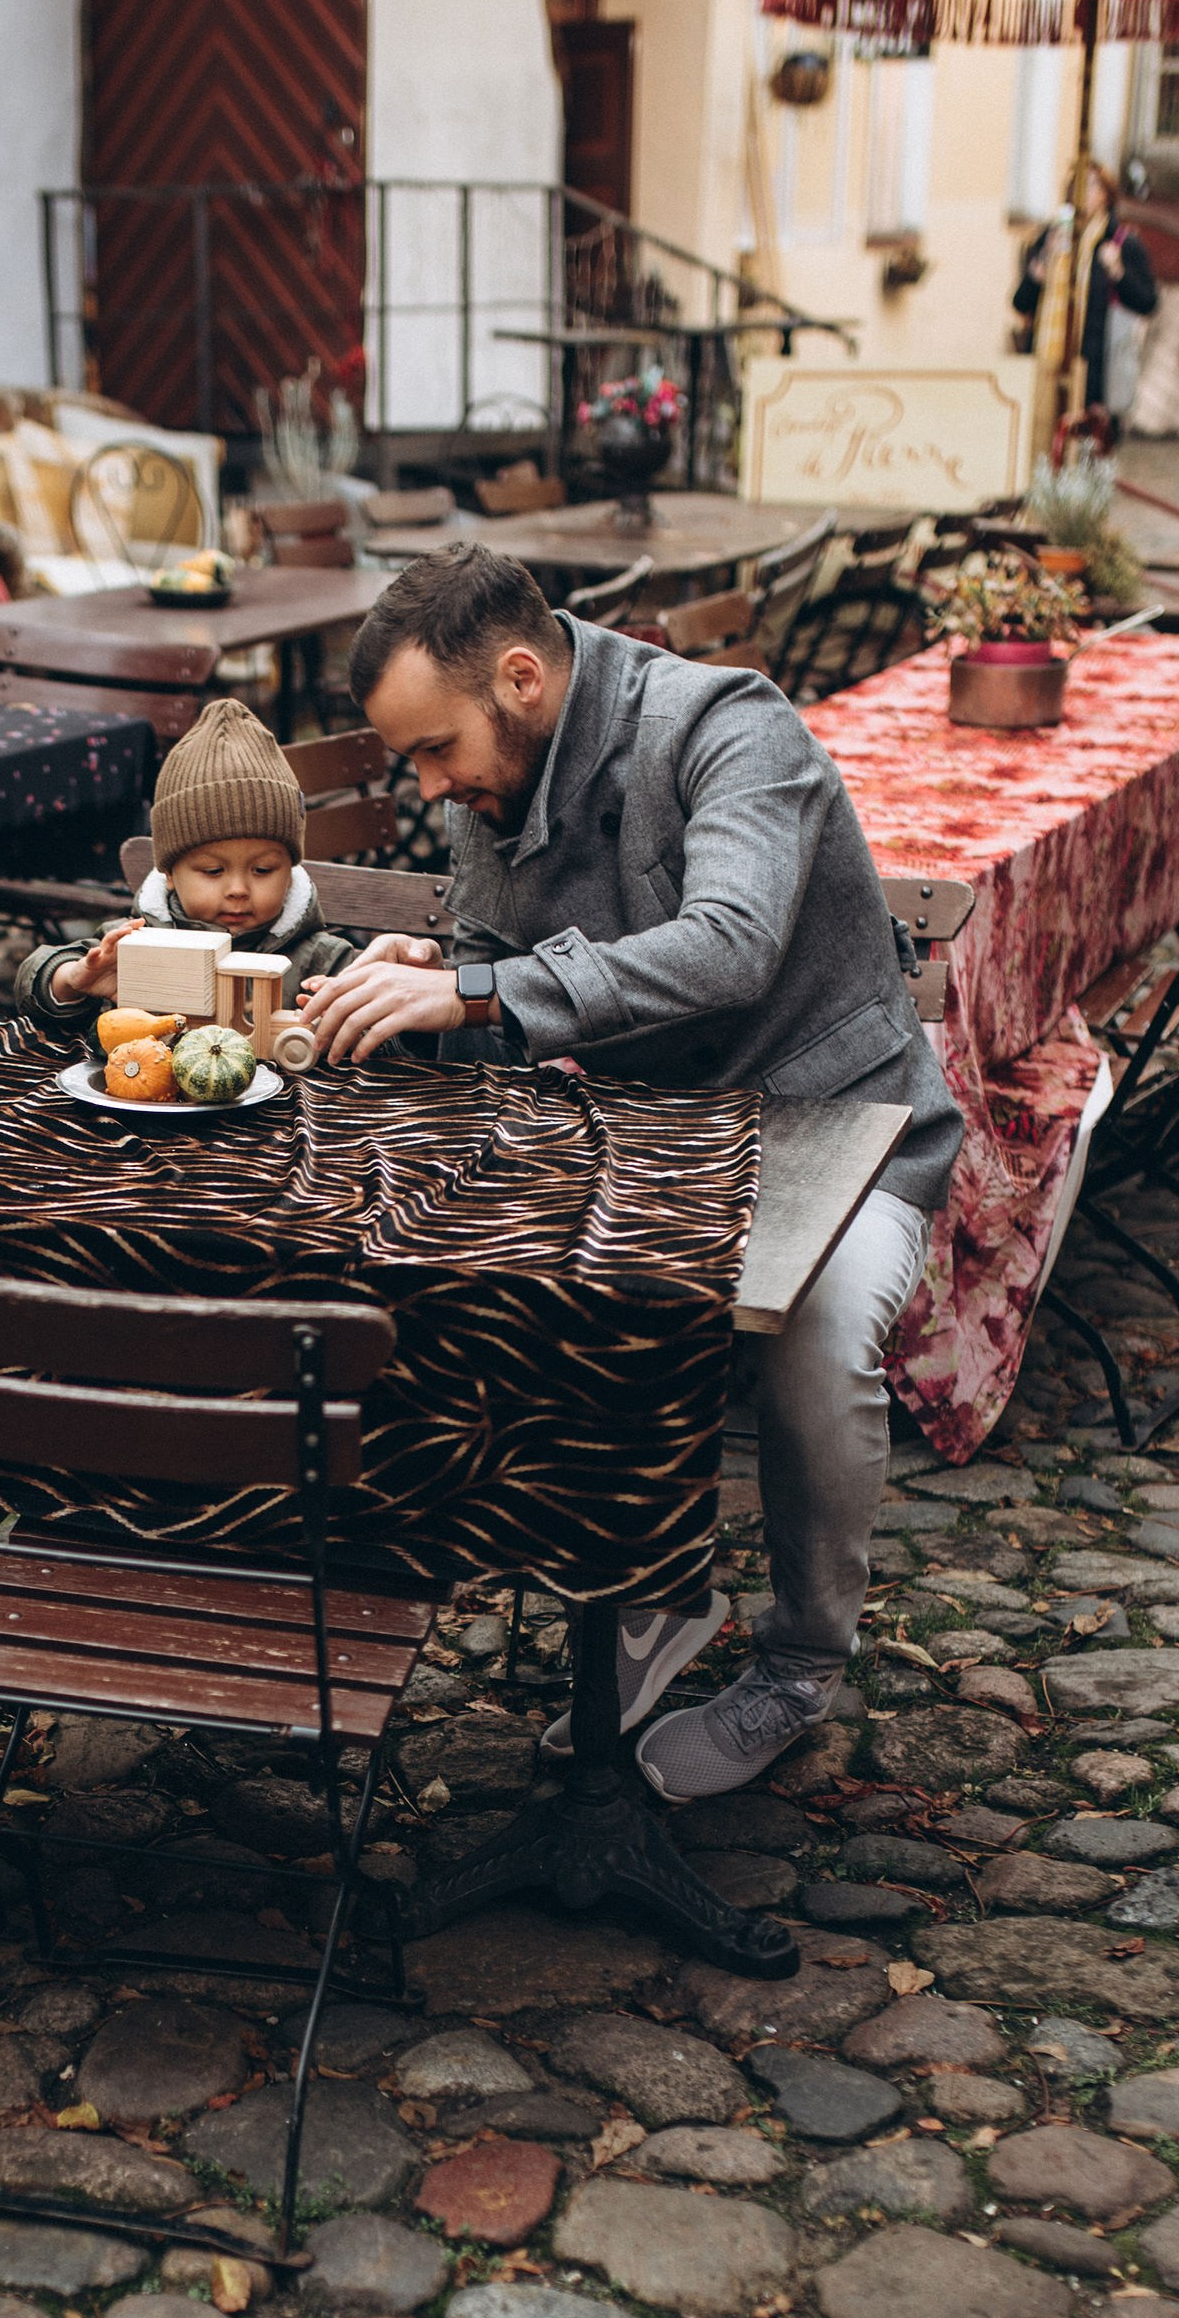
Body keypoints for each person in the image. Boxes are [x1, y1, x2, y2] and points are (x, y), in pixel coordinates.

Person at [300, 544, 962, 1807]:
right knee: (463, 1255)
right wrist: (430, 973)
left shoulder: (726, 725)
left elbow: (730, 947)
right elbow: (493, 956)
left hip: (842, 1124)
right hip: (655, 1136)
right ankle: (654, 1583)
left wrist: (476, 986)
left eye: (435, 750)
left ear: (520, 678)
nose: (428, 785)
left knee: (820, 1337)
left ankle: (798, 1668)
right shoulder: (495, 769)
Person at [13, 698, 358, 1044]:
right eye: (213, 870)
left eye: (263, 869)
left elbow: (385, 1031)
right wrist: (72, 980)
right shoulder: (135, 943)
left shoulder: (322, 959)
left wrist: (347, 1012)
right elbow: (34, 980)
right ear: (169, 874)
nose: (238, 889)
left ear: (291, 871)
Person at [1011, 166, 1156, 423]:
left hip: (1098, 374)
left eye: (1090, 185)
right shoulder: (1052, 237)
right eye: (1075, 184)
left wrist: (1118, 272)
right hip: (1047, 368)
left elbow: (1148, 302)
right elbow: (1020, 303)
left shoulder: (1120, 242)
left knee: (1088, 442)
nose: (1080, 192)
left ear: (1106, 195)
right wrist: (1038, 272)